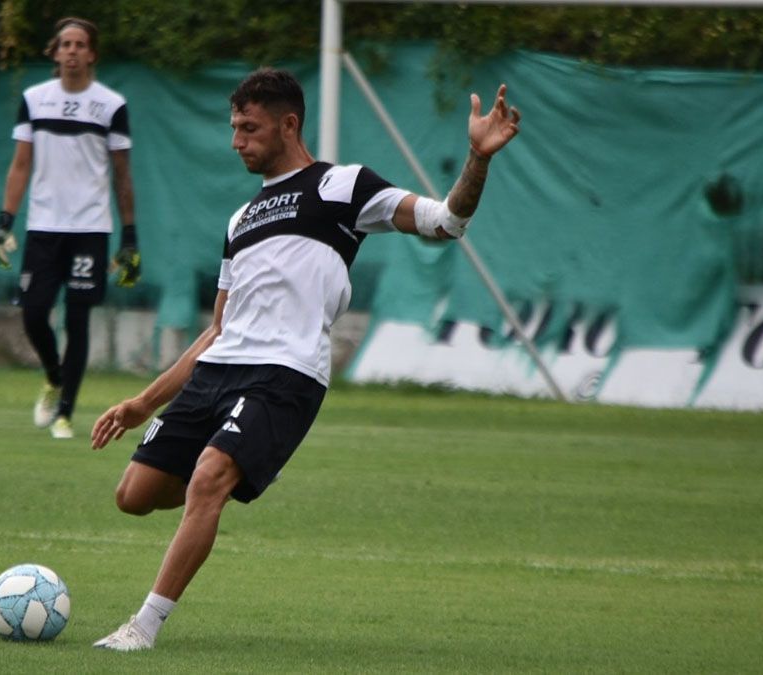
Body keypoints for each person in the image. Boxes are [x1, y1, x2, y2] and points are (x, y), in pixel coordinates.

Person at [88, 68, 521, 651]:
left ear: (289, 125)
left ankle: (143, 626)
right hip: (219, 371)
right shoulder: (239, 221)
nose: (236, 141)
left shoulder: (343, 186)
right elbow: (218, 329)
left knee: (210, 477)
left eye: (249, 128)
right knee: (133, 496)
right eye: (234, 128)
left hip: (286, 374)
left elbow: (445, 222)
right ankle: (243, 462)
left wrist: (478, 158)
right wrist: (143, 402)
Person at [0, 16, 141, 440]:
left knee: (78, 320)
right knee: (34, 312)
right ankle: (54, 377)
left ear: (92, 53)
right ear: (55, 52)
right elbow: (21, 165)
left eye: (80, 44)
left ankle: (65, 414)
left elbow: (122, 175)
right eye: (65, 44)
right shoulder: (34, 99)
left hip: (91, 230)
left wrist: (129, 236)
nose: (72, 51)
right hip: (43, 227)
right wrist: (4, 222)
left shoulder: (111, 105)